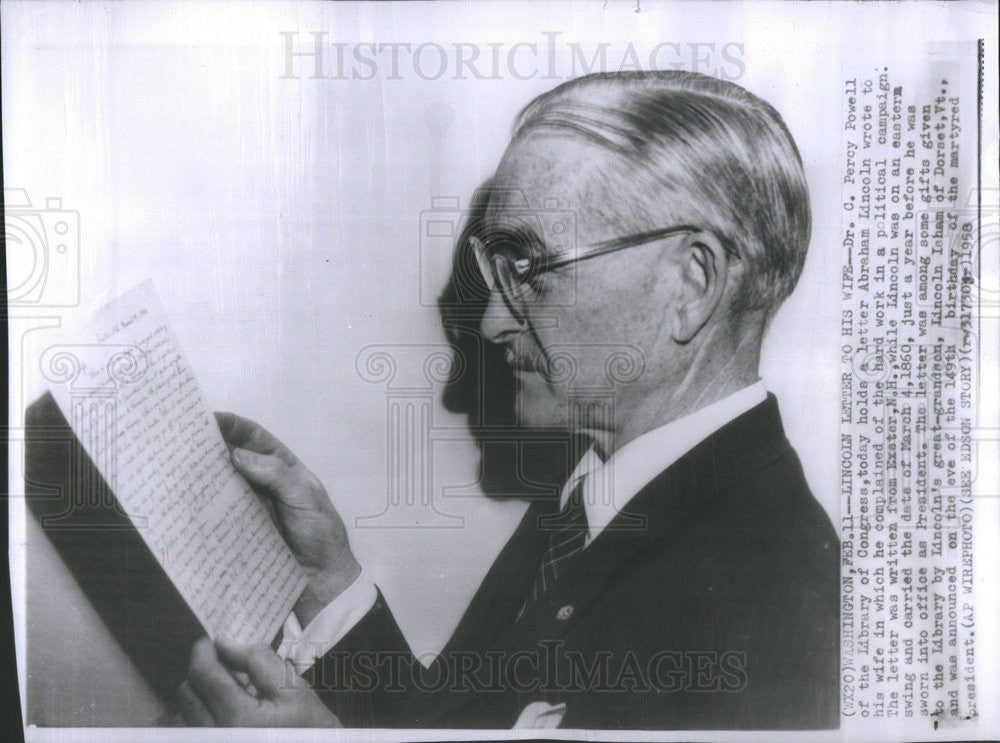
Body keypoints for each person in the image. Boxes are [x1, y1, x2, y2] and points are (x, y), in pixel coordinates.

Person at [178, 70, 839, 730]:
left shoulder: (778, 584)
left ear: (691, 284)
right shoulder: (588, 506)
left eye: (527, 268)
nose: (493, 322)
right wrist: (328, 577)